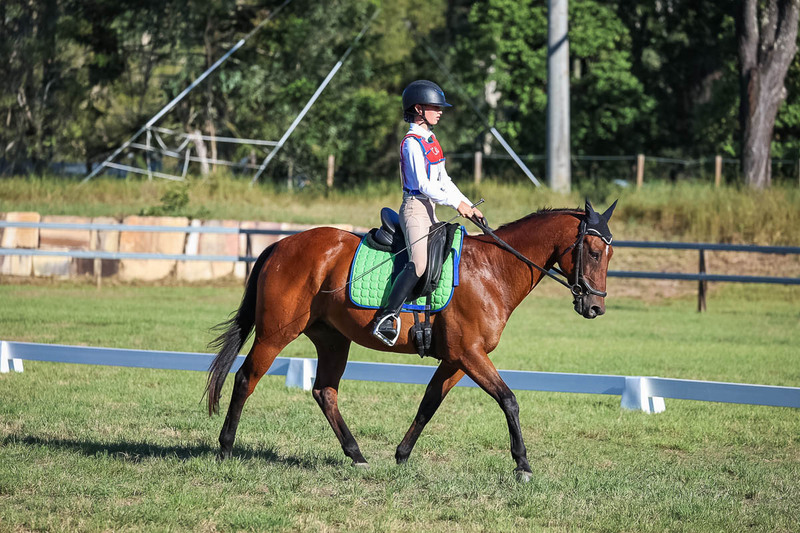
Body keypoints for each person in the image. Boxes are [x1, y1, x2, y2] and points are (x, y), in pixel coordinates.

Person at [372, 80, 484, 346]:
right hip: (414, 209)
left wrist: (468, 206)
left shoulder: (431, 140)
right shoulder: (411, 143)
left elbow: (444, 180)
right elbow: (423, 184)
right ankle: (386, 318)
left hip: (430, 207)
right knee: (420, 263)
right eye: (435, 107)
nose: (441, 111)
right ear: (419, 109)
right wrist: (456, 205)